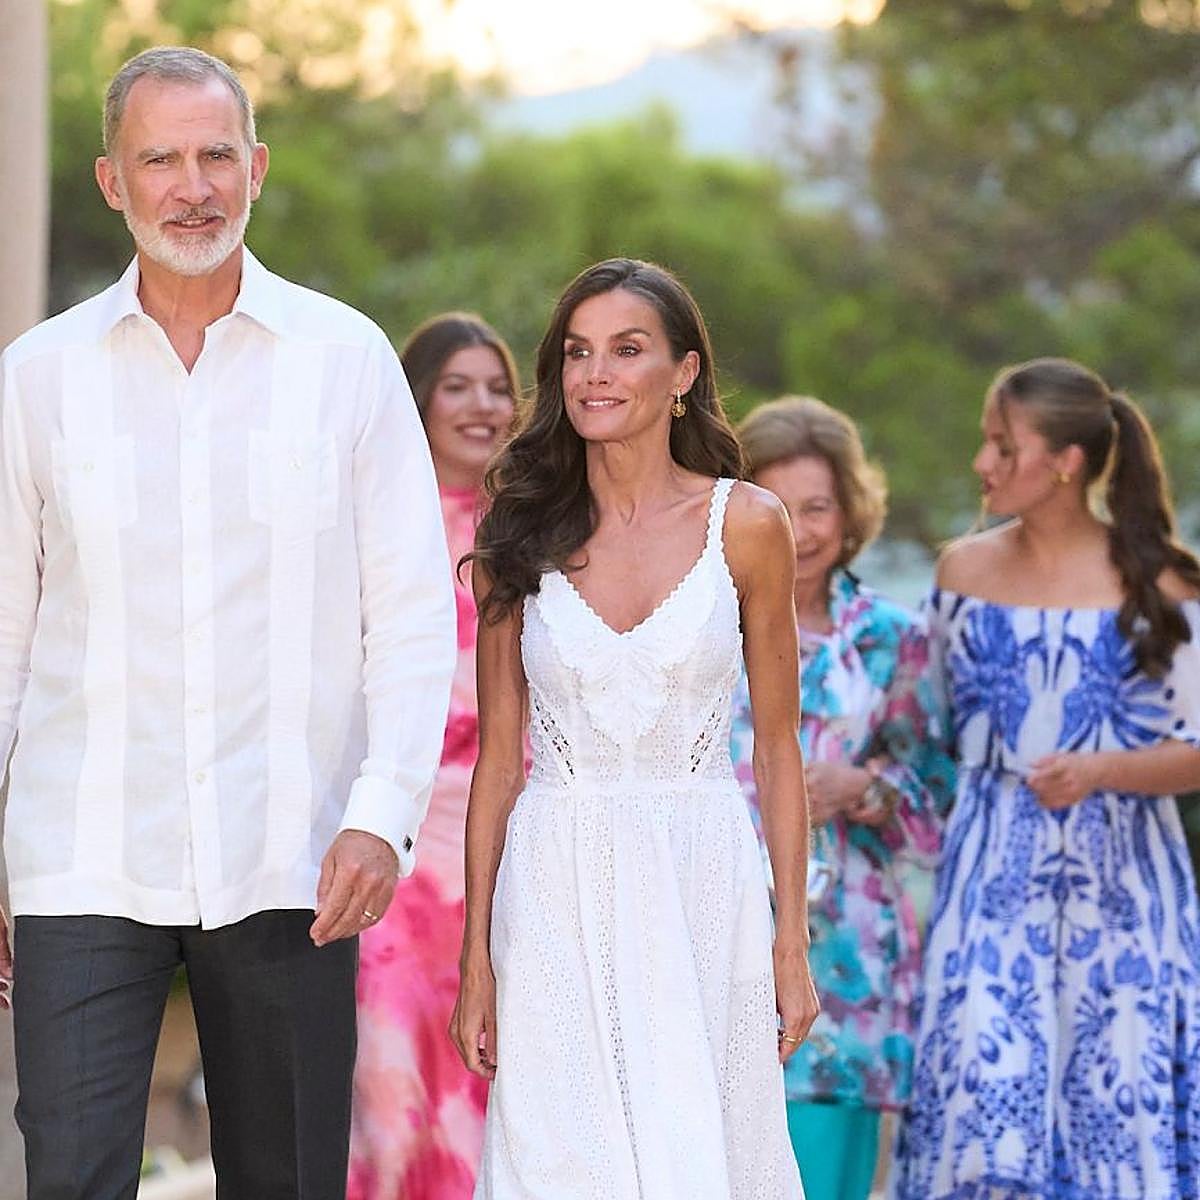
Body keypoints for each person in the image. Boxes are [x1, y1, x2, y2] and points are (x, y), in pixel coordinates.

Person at [0, 47, 457, 1198]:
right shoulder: (36, 379)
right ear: (113, 180)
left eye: (214, 156)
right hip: (80, 856)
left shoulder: (346, 361)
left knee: (290, 1179)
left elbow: (406, 613)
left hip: (292, 851)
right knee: (69, 1176)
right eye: (160, 158)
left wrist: (381, 814)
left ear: (256, 167)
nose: (191, 186)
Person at [449, 257, 817, 1197]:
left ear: (684, 373)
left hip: (702, 873)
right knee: (558, 1157)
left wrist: (790, 938)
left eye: (626, 350)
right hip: (554, 874)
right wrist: (477, 958)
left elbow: (777, 750)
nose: (594, 375)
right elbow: (498, 768)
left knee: (704, 1150)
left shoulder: (748, 525)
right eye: (577, 353)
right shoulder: (517, 534)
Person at [890, 358, 1200, 1199]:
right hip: (990, 877)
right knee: (984, 1108)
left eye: (1002, 445)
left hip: (1128, 893)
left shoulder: (1163, 583)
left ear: (1064, 462)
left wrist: (1103, 767)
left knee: (1116, 1113)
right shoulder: (960, 573)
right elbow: (926, 728)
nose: (982, 464)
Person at [730, 396, 953, 1200]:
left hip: (847, 971)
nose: (802, 528)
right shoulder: (701, 624)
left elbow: (940, 795)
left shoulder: (892, 637)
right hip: (714, 941)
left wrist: (868, 789)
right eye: (780, 506)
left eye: (818, 506)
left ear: (850, 509)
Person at [349, 313, 518, 1199]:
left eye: (497, 387)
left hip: (515, 841)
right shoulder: (373, 526)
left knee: (503, 1079)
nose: (482, 405)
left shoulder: (542, 533)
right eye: (457, 386)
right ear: (416, 399)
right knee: (390, 1082)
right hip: (396, 840)